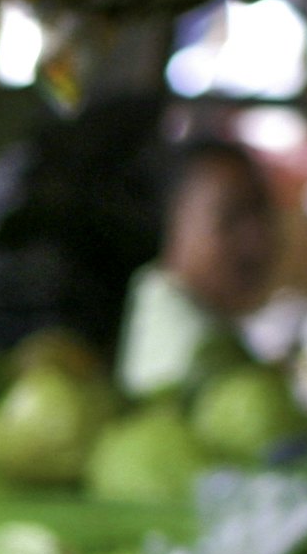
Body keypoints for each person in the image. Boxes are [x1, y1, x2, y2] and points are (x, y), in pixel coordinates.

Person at [115, 139, 281, 399]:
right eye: (231, 218)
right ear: (174, 222)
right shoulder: (185, 359)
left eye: (262, 212)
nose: (257, 239)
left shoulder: (205, 326)